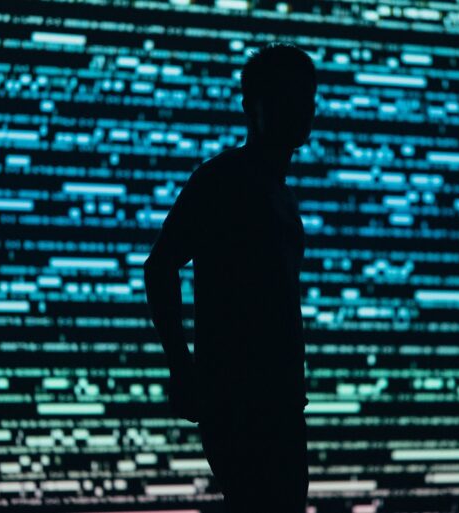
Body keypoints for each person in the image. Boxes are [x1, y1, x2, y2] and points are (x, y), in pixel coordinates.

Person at [144, 42, 317, 513]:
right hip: (244, 408)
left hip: (277, 405)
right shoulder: (222, 182)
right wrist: (183, 368)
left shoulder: (279, 197)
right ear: (251, 107)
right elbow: (160, 266)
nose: (301, 109)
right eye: (286, 97)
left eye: (306, 97)